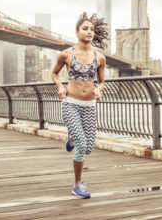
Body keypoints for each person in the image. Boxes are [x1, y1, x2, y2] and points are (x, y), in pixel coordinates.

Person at [51, 12, 107, 199]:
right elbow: (54, 74)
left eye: (91, 29)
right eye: (85, 29)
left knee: (89, 147)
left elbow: (101, 81)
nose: (89, 32)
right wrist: (60, 87)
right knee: (82, 145)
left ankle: (72, 138)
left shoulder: (100, 58)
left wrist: (99, 89)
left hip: (90, 105)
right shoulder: (66, 54)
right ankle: (77, 184)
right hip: (71, 104)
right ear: (77, 32)